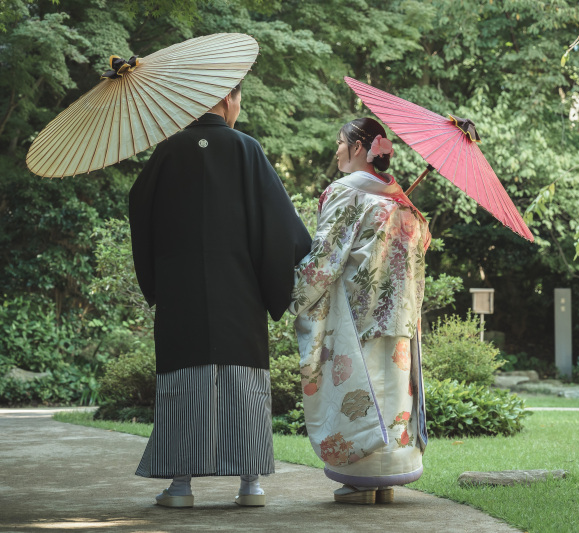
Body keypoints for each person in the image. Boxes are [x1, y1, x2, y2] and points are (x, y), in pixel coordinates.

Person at [128, 81, 312, 508]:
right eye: (239, 100)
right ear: (228, 98)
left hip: (181, 293)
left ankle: (180, 486)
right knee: (243, 381)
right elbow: (282, 225)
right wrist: (277, 278)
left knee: (181, 380)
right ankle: (250, 484)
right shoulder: (247, 150)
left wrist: (160, 276)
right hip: (240, 293)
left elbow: (139, 206)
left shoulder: (167, 151)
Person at [289, 117, 431, 504]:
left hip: (356, 315)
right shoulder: (402, 200)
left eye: (340, 142)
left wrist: (294, 291)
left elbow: (325, 257)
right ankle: (385, 479)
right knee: (391, 392)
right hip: (399, 318)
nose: (336, 149)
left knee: (359, 392)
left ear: (357, 147)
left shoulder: (345, 192)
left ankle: (360, 479)